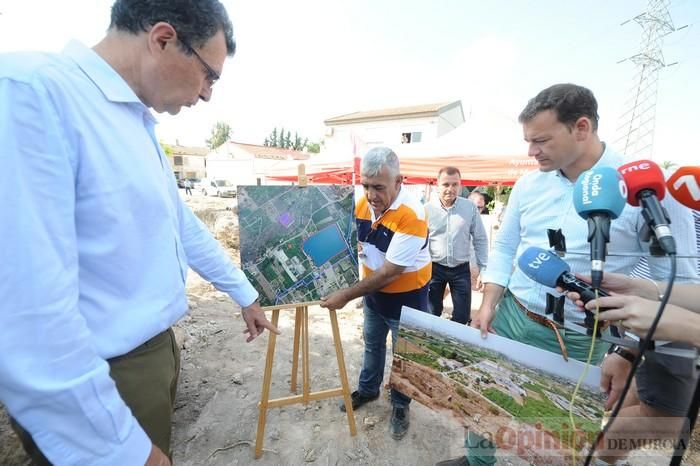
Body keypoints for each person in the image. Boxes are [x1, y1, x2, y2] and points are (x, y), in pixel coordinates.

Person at [0, 2, 279, 465]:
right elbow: (28, 319)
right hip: (102, 375)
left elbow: (178, 224)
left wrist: (243, 293)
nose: (208, 95)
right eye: (210, 75)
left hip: (149, 355)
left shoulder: (132, 120)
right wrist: (121, 450)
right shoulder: (33, 93)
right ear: (164, 39)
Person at [435, 84, 698, 466]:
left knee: (559, 435)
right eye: (527, 141)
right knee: (483, 401)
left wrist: (628, 349)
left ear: (581, 128)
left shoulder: (648, 191)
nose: (530, 152)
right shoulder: (527, 185)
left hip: (582, 339)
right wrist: (489, 302)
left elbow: (678, 286)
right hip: (513, 316)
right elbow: (507, 247)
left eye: (540, 140)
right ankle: (479, 462)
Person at [320, 146, 431, 441]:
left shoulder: (413, 214)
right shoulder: (361, 205)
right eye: (366, 186)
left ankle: (400, 406)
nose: (371, 195)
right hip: (374, 297)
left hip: (409, 302)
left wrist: (345, 295)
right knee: (372, 346)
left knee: (405, 357)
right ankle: (368, 391)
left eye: (378, 187)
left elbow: (390, 272)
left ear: (399, 181)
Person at [563, 274, 699, 463]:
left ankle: (603, 457)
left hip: (676, 323)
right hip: (671, 323)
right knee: (658, 419)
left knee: (652, 412)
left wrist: (689, 325)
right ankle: (603, 458)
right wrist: (641, 289)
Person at [425, 167, 488, 324]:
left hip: (461, 270)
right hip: (434, 269)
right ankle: (432, 345)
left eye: (455, 185)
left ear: (460, 185)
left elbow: (480, 238)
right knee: (431, 313)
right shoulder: (427, 210)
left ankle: (452, 347)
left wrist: (483, 268)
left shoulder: (470, 208)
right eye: (446, 184)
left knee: (462, 317)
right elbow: (419, 241)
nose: (450, 189)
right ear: (437, 185)